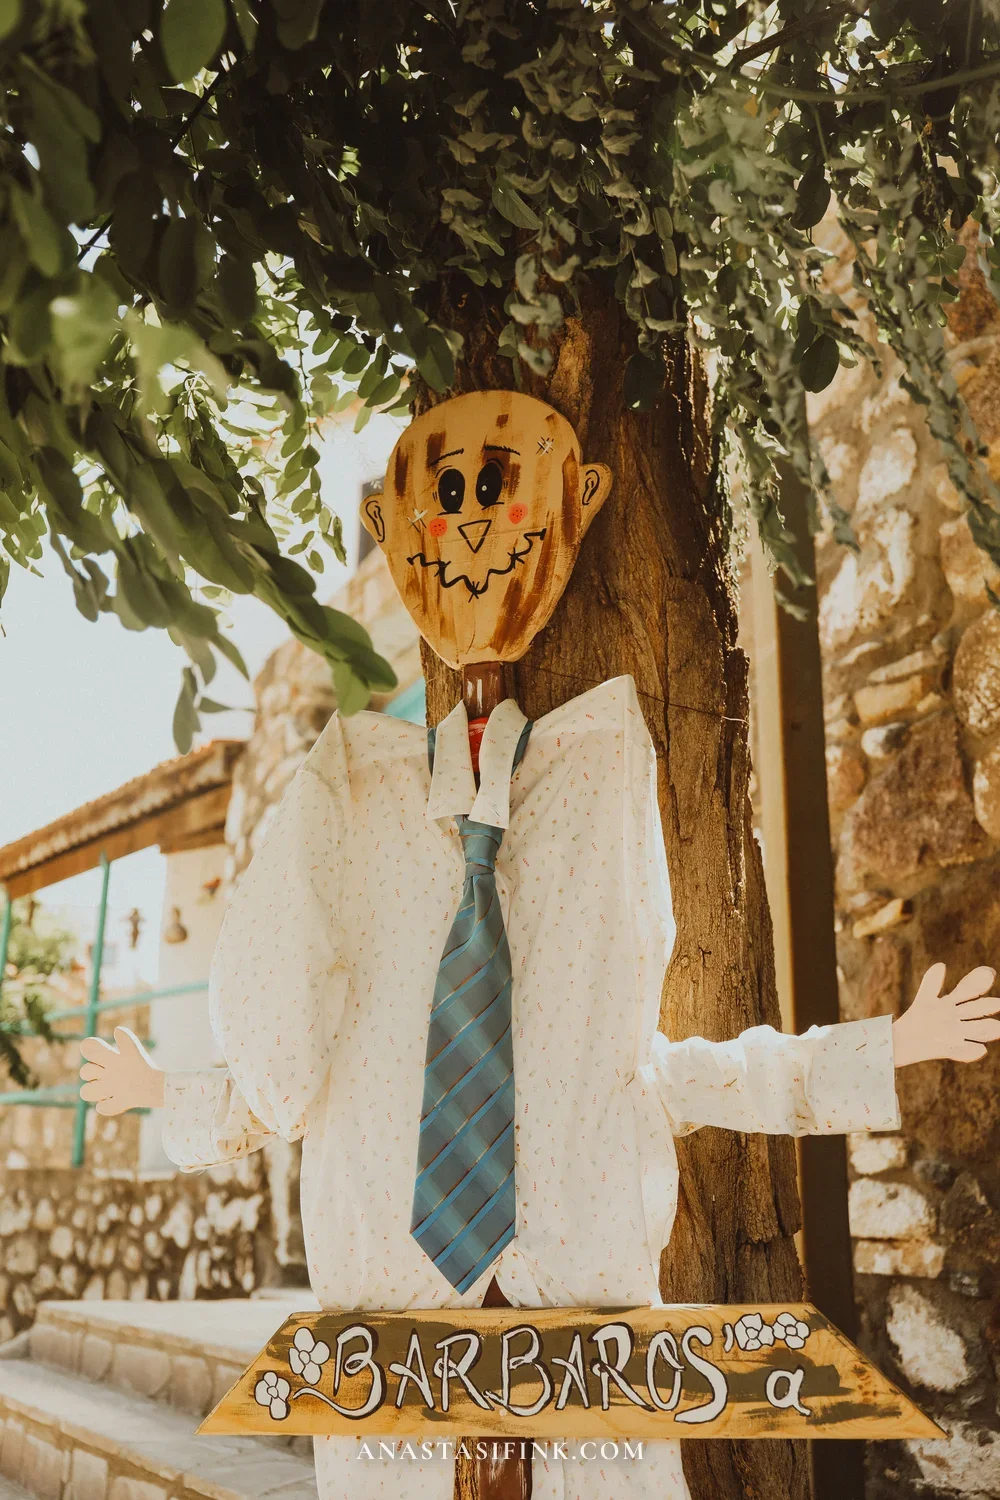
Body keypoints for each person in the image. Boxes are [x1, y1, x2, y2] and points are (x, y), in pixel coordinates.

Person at [80, 391, 1000, 1500]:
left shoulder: (601, 827)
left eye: (502, 498)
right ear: (390, 534)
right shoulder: (348, 817)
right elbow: (283, 1084)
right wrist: (162, 1095)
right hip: (394, 1377)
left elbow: (707, 1072)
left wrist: (886, 1048)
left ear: (579, 507)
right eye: (449, 501)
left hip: (591, 1395)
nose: (473, 530)